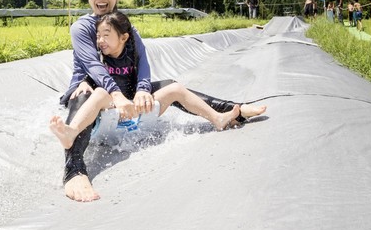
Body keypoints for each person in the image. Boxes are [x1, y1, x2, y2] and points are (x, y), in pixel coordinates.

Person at [53, 0, 267, 202]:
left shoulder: (126, 28)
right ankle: (74, 170)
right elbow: (94, 66)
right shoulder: (82, 27)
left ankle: (229, 110)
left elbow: (142, 61)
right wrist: (115, 94)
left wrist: (143, 89)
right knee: (85, 93)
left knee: (173, 86)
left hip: (125, 89)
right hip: (92, 87)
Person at [50, 11, 241, 150]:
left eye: (106, 35)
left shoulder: (133, 51)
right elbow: (92, 72)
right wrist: (84, 81)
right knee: (100, 92)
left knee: (175, 88)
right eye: (98, 36)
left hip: (134, 109)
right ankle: (72, 132)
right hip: (110, 113)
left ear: (124, 37)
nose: (100, 41)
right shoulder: (99, 57)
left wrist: (142, 94)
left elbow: (144, 73)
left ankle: (217, 118)